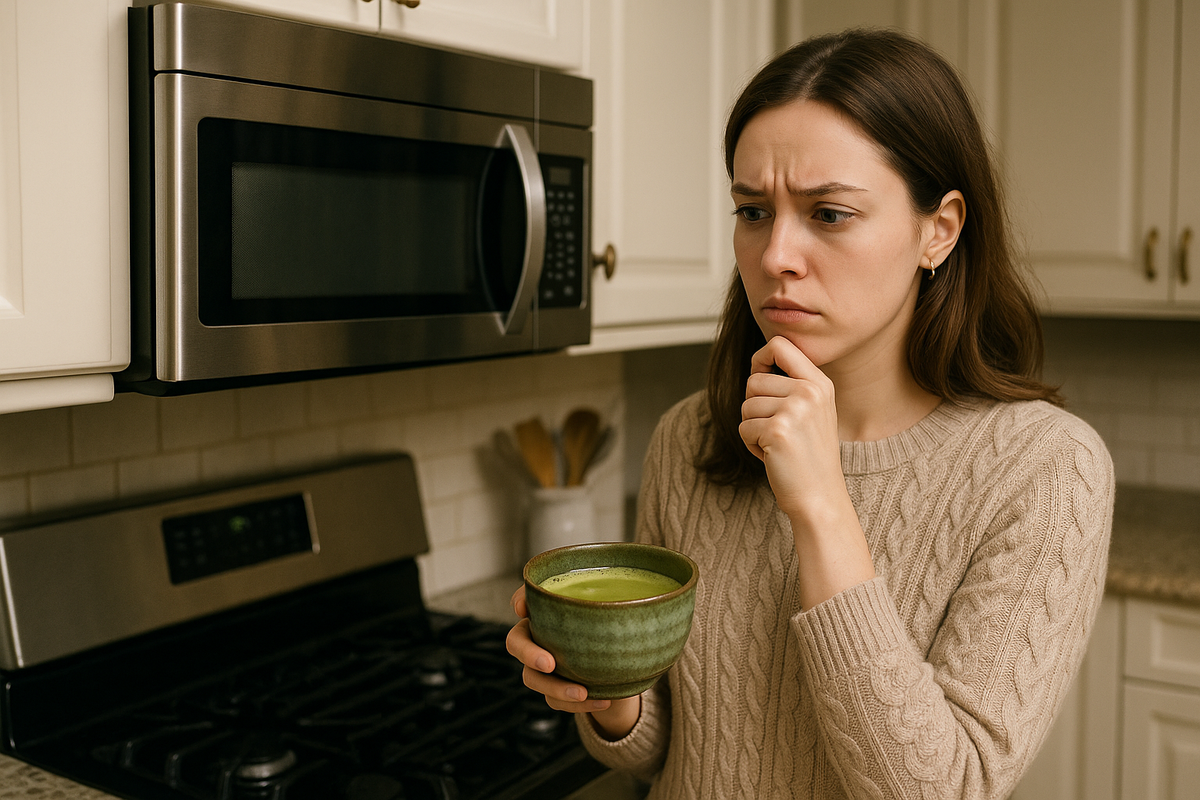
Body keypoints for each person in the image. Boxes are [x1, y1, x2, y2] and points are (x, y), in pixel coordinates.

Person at [506, 27, 1114, 800]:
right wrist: (607, 688)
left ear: (940, 230)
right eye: (752, 211)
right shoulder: (691, 436)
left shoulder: (1047, 470)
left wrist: (824, 506)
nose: (775, 255)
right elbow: (659, 753)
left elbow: (942, 789)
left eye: (829, 214)